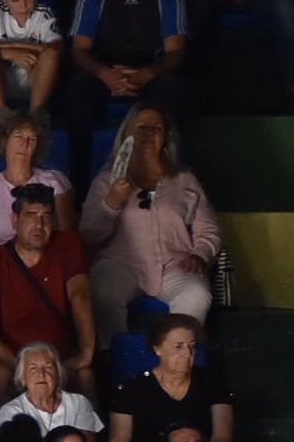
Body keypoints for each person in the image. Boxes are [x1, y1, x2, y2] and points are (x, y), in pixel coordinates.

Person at [81, 107, 218, 331]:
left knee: (197, 294)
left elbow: (208, 228)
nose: (149, 134)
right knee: (102, 292)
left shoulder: (184, 178)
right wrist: (112, 202)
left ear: (166, 139)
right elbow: (89, 232)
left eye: (157, 129)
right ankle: (111, 357)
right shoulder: (108, 179)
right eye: (142, 128)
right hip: (120, 265)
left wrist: (199, 254)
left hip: (174, 265)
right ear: (127, 135)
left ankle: (177, 359)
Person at [62, 0, 190, 147]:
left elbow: (176, 52)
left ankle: (168, 174)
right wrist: (106, 74)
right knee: (77, 89)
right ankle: (81, 173)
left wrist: (145, 74)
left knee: (175, 89)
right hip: (106, 75)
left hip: (150, 75)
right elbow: (79, 51)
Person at [0, 185, 95, 402]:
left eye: (46, 216)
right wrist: (25, 368)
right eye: (30, 216)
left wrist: (85, 353)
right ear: (14, 220)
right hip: (12, 356)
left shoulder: (68, 246)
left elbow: (80, 296)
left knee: (85, 376)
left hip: (59, 355)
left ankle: (92, 435)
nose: (39, 225)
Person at [109, 312, 233, 442]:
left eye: (192, 346)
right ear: (157, 349)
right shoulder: (131, 389)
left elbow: (222, 437)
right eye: (178, 346)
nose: (187, 353)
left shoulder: (212, 382)